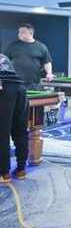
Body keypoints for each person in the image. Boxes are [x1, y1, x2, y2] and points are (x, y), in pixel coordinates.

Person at [0, 53, 28, 182]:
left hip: (3, 88)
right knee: (20, 130)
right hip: (19, 87)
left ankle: (3, 173)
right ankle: (21, 169)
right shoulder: (3, 56)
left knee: (2, 132)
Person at [5, 23, 54, 89]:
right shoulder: (13, 46)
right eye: (19, 32)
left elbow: (47, 62)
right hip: (16, 82)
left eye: (23, 32)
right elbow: (4, 60)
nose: (19, 34)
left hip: (34, 83)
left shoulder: (41, 47)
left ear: (31, 33)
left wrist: (49, 73)